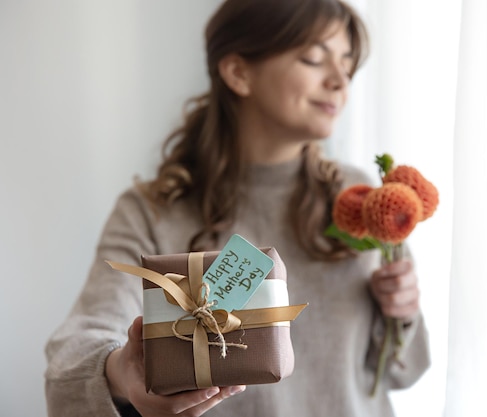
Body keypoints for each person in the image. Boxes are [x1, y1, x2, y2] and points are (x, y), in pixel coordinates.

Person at [44, 0, 430, 416]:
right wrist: (122, 370)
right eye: (314, 59)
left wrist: (402, 313)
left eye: (347, 63)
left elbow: (401, 373)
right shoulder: (152, 212)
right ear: (238, 72)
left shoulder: (359, 199)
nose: (340, 80)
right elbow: (71, 362)